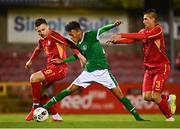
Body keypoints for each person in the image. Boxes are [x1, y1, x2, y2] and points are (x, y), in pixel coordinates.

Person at [43, 20, 145, 121]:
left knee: (120, 95)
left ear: (78, 31)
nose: (71, 38)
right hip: (88, 72)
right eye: (69, 35)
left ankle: (137, 117)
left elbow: (102, 29)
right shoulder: (78, 44)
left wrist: (113, 25)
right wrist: (63, 61)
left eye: (72, 34)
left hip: (103, 72)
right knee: (69, 90)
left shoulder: (90, 35)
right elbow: (76, 56)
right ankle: (46, 107)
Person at [107, 9, 176, 121]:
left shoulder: (158, 30)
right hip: (149, 69)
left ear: (153, 19)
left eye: (146, 19)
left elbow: (141, 37)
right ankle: (168, 98)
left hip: (161, 67)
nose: (144, 21)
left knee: (155, 96)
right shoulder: (143, 31)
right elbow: (132, 40)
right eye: (143, 19)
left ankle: (169, 118)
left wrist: (121, 34)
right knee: (146, 97)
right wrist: (117, 41)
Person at [25, 18, 86, 121]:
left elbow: (69, 43)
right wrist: (30, 61)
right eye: (39, 31)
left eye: (43, 29)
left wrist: (80, 55)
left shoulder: (54, 35)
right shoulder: (42, 41)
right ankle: (56, 117)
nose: (41, 32)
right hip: (51, 69)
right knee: (39, 93)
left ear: (48, 27)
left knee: (34, 77)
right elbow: (37, 49)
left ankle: (34, 107)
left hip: (59, 68)